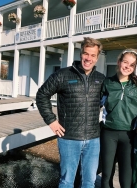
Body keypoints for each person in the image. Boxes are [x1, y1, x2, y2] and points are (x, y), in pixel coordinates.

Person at [36, 37, 105, 188]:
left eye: (93, 55)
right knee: (67, 181)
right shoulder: (62, 75)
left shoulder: (101, 79)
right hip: (69, 138)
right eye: (86, 54)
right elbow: (42, 95)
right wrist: (51, 121)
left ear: (97, 57)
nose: (89, 58)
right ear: (81, 53)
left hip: (93, 139)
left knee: (89, 181)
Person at [100, 49, 137, 188]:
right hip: (109, 133)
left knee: (126, 175)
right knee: (106, 174)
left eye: (132, 64)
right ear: (119, 62)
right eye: (125, 62)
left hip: (129, 134)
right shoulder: (107, 83)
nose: (127, 67)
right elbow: (95, 103)